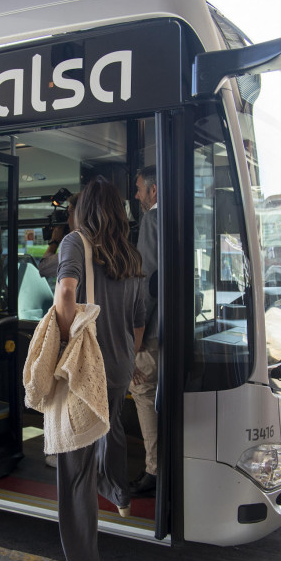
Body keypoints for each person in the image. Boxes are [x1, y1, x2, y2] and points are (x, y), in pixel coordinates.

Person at [54, 176, 146, 561]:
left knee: (75, 472)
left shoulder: (76, 242)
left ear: (85, 210)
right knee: (110, 431)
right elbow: (138, 320)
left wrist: (69, 339)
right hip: (120, 364)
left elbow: (65, 293)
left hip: (87, 371)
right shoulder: (130, 253)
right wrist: (123, 355)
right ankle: (120, 496)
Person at [129, 165, 159, 498]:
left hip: (152, 331)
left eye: (139, 189)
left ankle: (153, 469)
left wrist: (135, 342)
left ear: (153, 191)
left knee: (141, 392)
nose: (136, 195)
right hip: (173, 326)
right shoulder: (180, 216)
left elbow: (146, 282)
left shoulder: (151, 221)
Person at [38, 193, 78, 278]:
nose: (68, 220)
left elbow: (44, 268)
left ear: (79, 216)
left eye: (69, 213)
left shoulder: (77, 248)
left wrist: (54, 242)